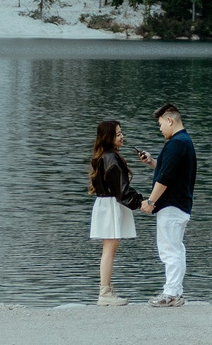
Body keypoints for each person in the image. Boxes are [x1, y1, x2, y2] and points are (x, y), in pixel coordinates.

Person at [135, 101, 196, 307]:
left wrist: (151, 201)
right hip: (180, 204)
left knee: (169, 250)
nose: (160, 128)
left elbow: (165, 177)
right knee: (176, 249)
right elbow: (167, 170)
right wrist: (152, 161)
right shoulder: (184, 142)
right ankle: (176, 292)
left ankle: (170, 294)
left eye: (160, 124)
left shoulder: (176, 144)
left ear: (170, 120)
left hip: (171, 205)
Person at [86, 119, 140, 306]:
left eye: (121, 132)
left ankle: (106, 290)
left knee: (109, 249)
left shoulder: (103, 156)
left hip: (106, 204)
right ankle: (105, 292)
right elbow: (122, 189)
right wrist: (141, 202)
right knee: (109, 249)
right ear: (108, 137)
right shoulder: (111, 158)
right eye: (118, 134)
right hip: (111, 205)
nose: (122, 136)